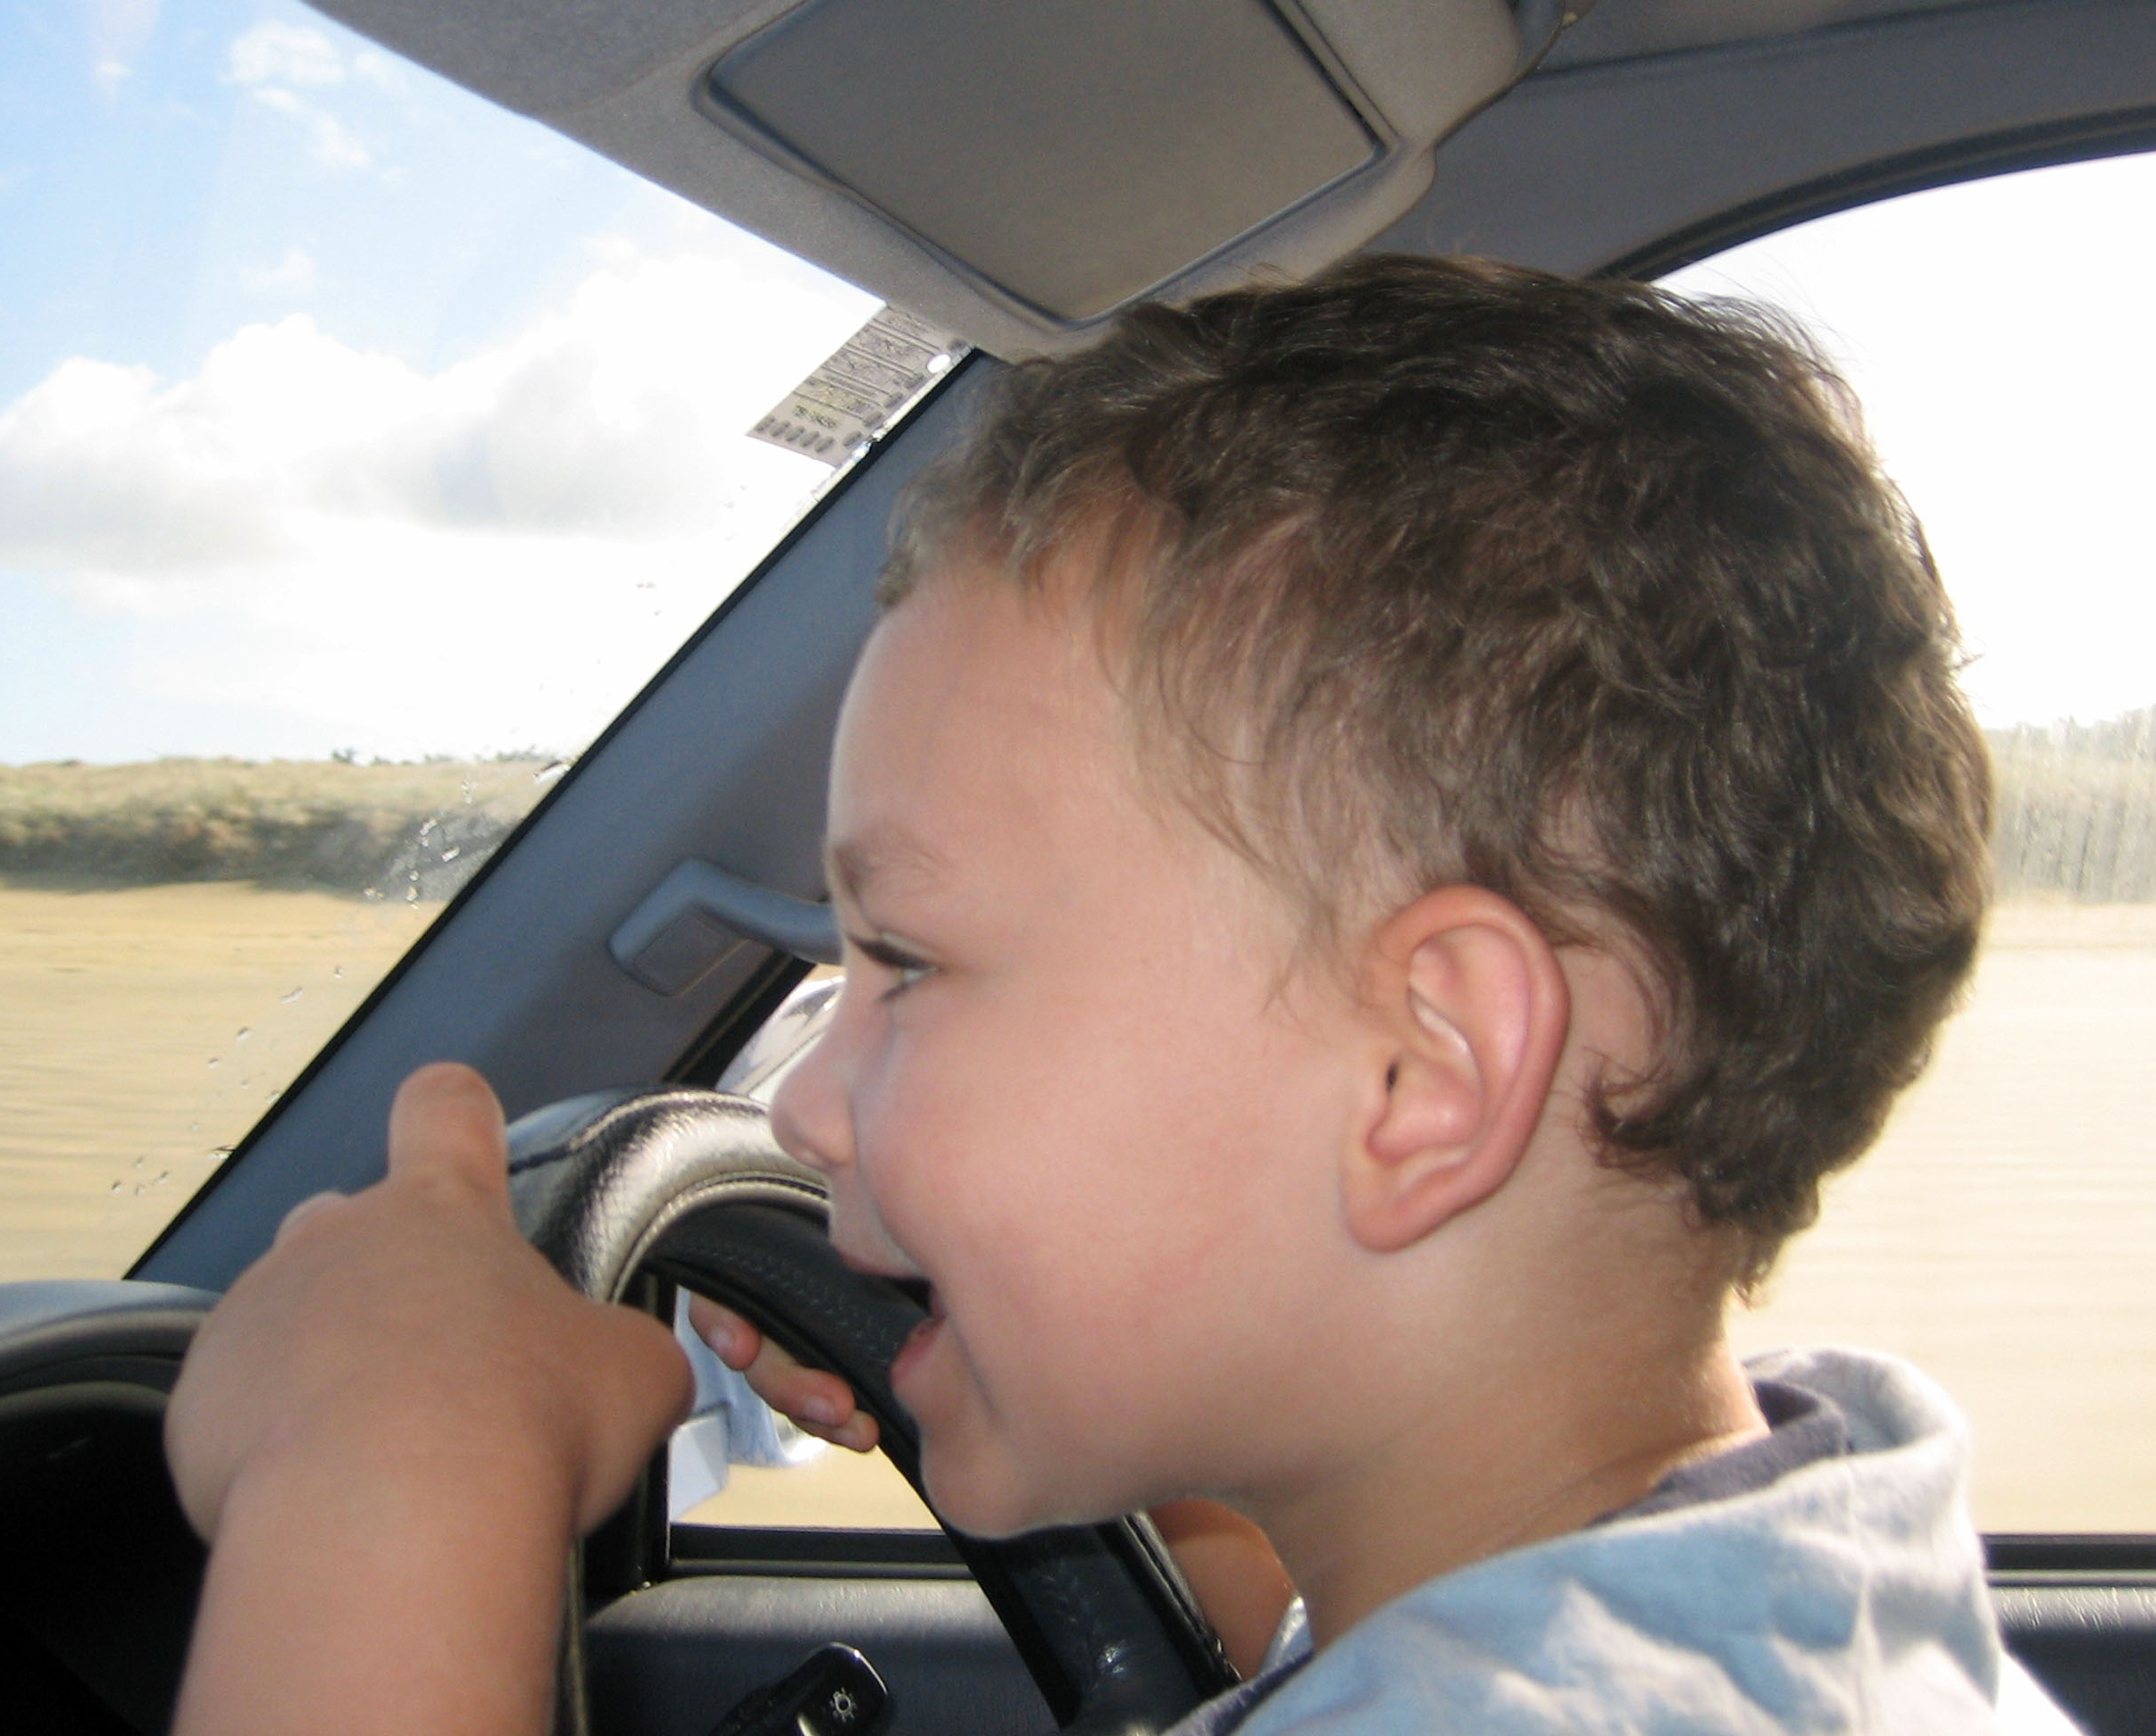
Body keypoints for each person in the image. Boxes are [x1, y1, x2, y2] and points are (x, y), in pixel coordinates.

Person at [163, 255, 2075, 1734]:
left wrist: (393, 1481)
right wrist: (1090, 1377)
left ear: (1423, 1075)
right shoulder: (1756, 1613)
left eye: (909, 965)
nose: (803, 1106)